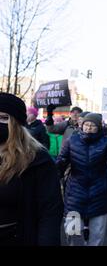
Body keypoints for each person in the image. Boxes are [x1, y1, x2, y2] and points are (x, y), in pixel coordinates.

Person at [0, 93, 63, 246]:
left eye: (3, 118)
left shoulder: (37, 159)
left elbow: (49, 212)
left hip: (16, 238)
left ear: (17, 123)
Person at [56, 113, 107, 246]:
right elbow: (62, 160)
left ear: (98, 127)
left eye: (93, 125)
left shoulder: (106, 142)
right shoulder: (72, 140)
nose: (89, 128)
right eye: (86, 125)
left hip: (99, 191)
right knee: (73, 232)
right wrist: (58, 168)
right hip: (75, 192)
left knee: (97, 233)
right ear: (82, 126)